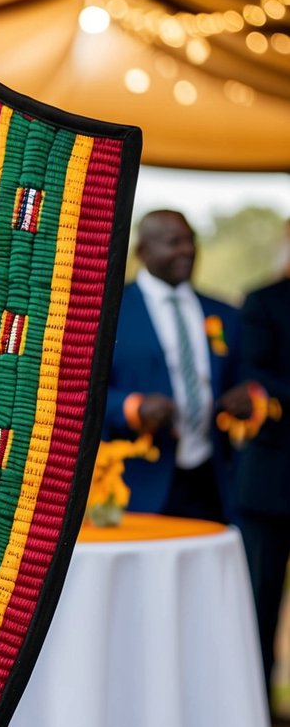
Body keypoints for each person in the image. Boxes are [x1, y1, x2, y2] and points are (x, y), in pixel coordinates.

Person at [102, 208, 252, 522]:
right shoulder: (111, 311)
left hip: (210, 478)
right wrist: (133, 407)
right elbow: (81, 391)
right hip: (137, 482)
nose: (187, 249)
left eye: (190, 240)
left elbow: (244, 377)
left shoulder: (222, 313)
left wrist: (247, 398)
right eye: (174, 242)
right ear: (143, 251)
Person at [235, 261, 290, 721]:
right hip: (272, 481)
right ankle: (255, 712)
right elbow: (254, 373)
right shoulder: (263, 301)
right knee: (259, 601)